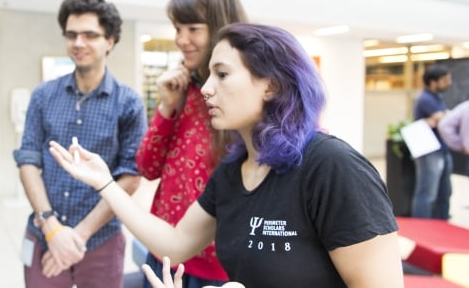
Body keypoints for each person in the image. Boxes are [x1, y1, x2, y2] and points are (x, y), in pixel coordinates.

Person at [49, 23, 403, 288]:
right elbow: (175, 242)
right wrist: (106, 184)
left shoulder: (331, 167)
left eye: (222, 74)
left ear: (273, 85)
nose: (205, 89)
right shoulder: (232, 173)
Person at [12, 0, 147, 288]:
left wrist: (77, 236)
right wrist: (52, 228)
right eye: (71, 35)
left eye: (90, 35)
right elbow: (28, 161)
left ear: (109, 41)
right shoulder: (43, 96)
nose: (78, 43)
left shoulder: (128, 103)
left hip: (101, 239)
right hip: (44, 232)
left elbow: (130, 177)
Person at [135, 0, 247, 288]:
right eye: (178, 29)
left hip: (218, 265)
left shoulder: (243, 97)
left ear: (220, 28)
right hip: (164, 254)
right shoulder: (182, 89)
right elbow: (146, 167)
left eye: (193, 29)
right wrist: (167, 108)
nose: (181, 40)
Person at [411, 64, 453, 220]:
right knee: (427, 193)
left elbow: (442, 118)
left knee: (445, 191)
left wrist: (442, 116)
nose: (449, 82)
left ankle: (442, 223)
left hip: (441, 148)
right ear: (433, 81)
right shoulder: (425, 98)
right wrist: (444, 116)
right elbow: (443, 118)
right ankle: (422, 227)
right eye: (445, 79)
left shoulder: (437, 98)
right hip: (429, 151)